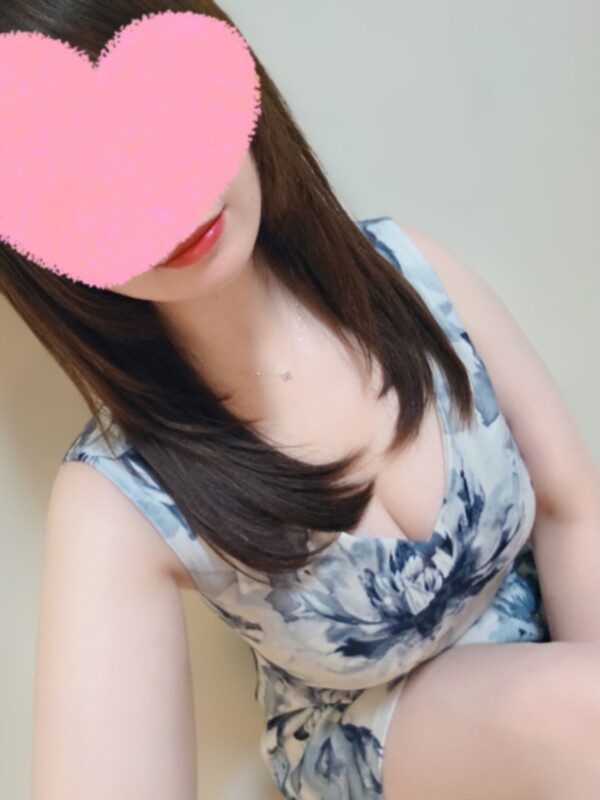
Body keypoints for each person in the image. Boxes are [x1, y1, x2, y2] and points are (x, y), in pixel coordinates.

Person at [2, 2, 599, 799]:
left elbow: (570, 507)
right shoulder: (115, 496)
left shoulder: (414, 274)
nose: (165, 198)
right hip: (381, 752)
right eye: (85, 178)